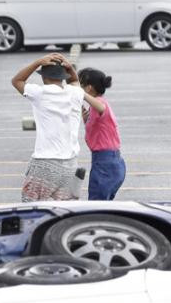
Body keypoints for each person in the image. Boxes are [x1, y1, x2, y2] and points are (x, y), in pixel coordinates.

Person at [11, 53, 104, 202]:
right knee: (63, 211)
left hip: (45, 163)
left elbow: (17, 80)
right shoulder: (76, 92)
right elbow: (74, 81)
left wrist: (37, 62)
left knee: (31, 208)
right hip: (70, 164)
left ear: (43, 76)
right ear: (63, 77)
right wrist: (69, 66)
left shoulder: (39, 92)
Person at [79, 67, 125, 200]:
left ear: (89, 88)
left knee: (95, 207)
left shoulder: (100, 103)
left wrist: (80, 94)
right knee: (104, 206)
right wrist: (86, 120)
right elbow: (97, 131)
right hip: (111, 162)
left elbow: (101, 107)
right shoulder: (95, 107)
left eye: (81, 85)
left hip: (105, 164)